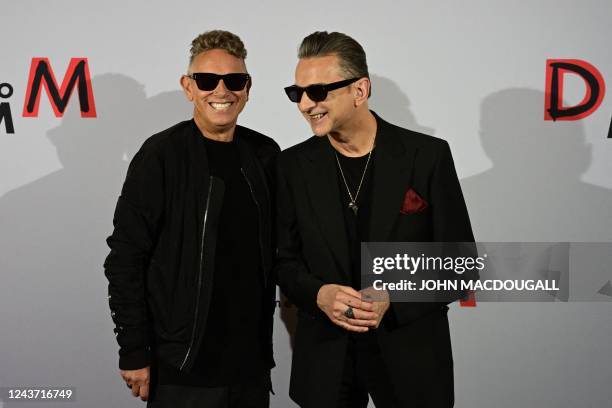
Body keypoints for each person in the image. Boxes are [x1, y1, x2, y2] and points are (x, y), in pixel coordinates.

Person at [276, 31, 474, 408]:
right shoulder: (291, 166)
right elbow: (283, 261)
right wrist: (319, 294)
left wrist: (393, 296)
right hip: (326, 362)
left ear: (360, 90)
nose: (304, 104)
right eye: (296, 92)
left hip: (411, 361)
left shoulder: (426, 156)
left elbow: (461, 266)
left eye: (317, 91)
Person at [104, 30, 279, 408]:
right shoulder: (161, 155)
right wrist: (134, 349)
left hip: (250, 368)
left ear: (248, 88)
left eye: (234, 81)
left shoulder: (265, 154)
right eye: (206, 80)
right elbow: (125, 257)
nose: (222, 91)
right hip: (181, 367)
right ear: (188, 86)